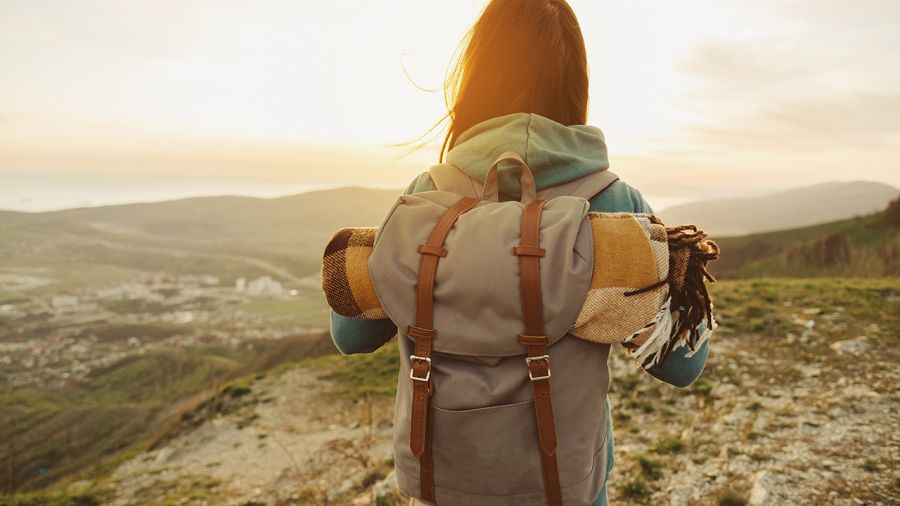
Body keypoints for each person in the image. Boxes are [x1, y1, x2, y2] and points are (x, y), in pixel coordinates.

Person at [330, 1, 709, 504]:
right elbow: (682, 364)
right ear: (577, 84)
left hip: (446, 487)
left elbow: (350, 333)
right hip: (568, 486)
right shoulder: (616, 204)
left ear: (476, 76)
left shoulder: (427, 197)